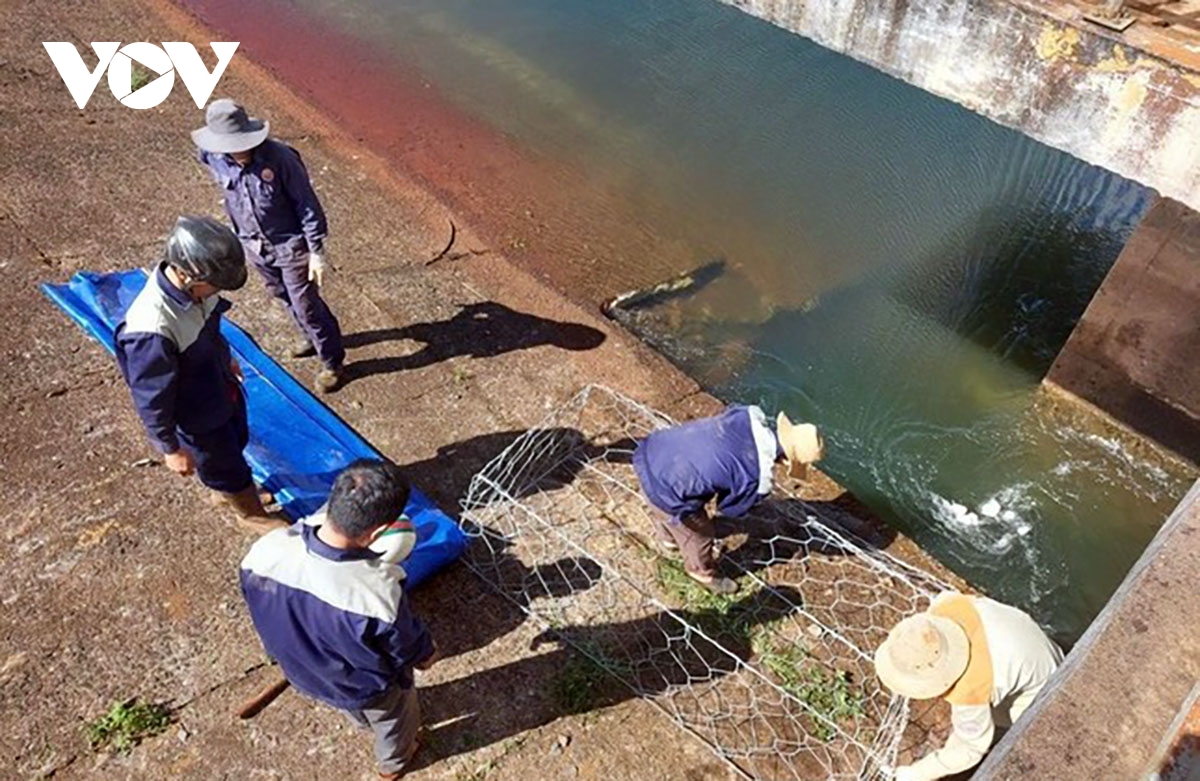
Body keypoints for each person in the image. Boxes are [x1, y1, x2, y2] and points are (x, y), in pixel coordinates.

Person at [240, 460, 438, 780]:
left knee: (352, 707)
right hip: (365, 685)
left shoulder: (264, 552)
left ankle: (361, 722)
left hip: (301, 669)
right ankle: (395, 763)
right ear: (376, 534)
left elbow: (254, 602)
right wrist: (427, 652)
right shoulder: (376, 592)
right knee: (394, 721)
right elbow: (405, 646)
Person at [116, 215, 280, 534]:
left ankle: (230, 492)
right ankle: (250, 514)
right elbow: (151, 397)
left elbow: (210, 327)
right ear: (187, 274)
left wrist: (227, 358)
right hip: (198, 412)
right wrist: (170, 448)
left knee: (236, 440)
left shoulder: (198, 291)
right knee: (223, 461)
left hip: (219, 385)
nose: (218, 290)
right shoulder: (150, 330)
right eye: (215, 284)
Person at [192, 98, 346, 393]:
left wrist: (316, 251)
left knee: (307, 306)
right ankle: (309, 337)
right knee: (281, 295)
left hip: (291, 246)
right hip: (254, 245)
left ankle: (332, 361)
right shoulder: (213, 155)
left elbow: (307, 205)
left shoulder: (280, 159)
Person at [873, 591, 1064, 780]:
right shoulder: (947, 606)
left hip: (1048, 693)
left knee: (1009, 735)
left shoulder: (971, 688)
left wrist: (914, 774)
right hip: (1043, 650)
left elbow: (970, 747)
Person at [633, 405, 824, 594]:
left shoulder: (746, 415)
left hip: (651, 451)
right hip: (665, 491)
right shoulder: (758, 478)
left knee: (664, 505)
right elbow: (729, 509)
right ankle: (701, 573)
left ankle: (669, 540)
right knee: (700, 533)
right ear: (787, 461)